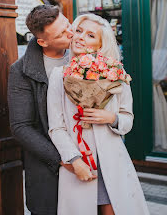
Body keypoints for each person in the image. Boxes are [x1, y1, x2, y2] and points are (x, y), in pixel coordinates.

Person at [47, 13, 150, 215]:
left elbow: (127, 118)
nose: (80, 37)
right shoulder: (59, 75)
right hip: (80, 163)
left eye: (90, 35)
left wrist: (111, 118)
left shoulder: (116, 74)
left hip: (112, 162)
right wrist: (74, 161)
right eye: (78, 31)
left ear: (100, 45)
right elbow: (56, 127)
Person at [7, 5, 75, 215]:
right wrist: (63, 159)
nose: (71, 33)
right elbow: (21, 127)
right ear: (43, 42)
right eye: (61, 34)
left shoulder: (85, 51)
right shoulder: (20, 71)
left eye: (67, 25)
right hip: (48, 167)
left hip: (91, 156)